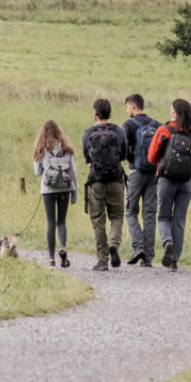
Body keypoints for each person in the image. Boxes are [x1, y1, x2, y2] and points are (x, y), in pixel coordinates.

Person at [147, 97, 191, 271]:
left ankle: (167, 242)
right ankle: (174, 261)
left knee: (163, 216)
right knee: (179, 220)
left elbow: (151, 157)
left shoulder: (164, 130)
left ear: (174, 113)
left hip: (166, 180)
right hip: (186, 183)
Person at [81, 97, 127, 271]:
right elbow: (123, 155)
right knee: (117, 215)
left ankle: (102, 260)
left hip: (96, 181)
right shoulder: (119, 131)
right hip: (116, 179)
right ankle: (114, 243)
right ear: (110, 113)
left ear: (95, 113)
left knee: (98, 220)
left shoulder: (88, 134)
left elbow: (87, 157)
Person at [32, 119, 77, 268]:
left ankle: (51, 258)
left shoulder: (42, 149)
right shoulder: (66, 148)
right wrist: (74, 193)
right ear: (59, 132)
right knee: (62, 222)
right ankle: (63, 248)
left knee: (51, 223)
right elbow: (73, 172)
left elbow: (37, 172)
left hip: (48, 190)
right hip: (65, 188)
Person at [121, 93, 159, 265]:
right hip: (153, 172)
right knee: (150, 213)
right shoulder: (156, 124)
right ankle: (148, 257)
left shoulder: (128, 125)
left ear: (133, 106)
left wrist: (129, 158)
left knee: (130, 210)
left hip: (136, 171)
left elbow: (122, 149)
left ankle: (138, 247)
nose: (127, 110)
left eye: (128, 106)